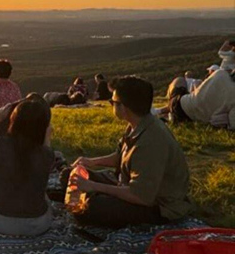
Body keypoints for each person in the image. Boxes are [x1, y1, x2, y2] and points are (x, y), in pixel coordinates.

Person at [70, 76, 192, 228]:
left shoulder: (151, 141)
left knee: (92, 207)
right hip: (127, 184)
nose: (111, 105)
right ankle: (93, 192)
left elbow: (140, 196)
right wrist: (91, 162)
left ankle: (94, 195)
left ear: (124, 107)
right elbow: (121, 156)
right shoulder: (137, 123)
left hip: (158, 206)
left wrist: (94, 186)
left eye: (113, 102)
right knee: (70, 174)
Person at [0, 98, 54, 236]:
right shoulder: (47, 153)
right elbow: (43, 157)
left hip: (0, 223)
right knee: (41, 192)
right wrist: (47, 139)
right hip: (39, 225)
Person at [166, 69, 235, 129]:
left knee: (179, 80)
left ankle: (166, 112)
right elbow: (233, 125)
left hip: (181, 103)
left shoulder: (220, 73)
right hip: (188, 117)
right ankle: (167, 113)